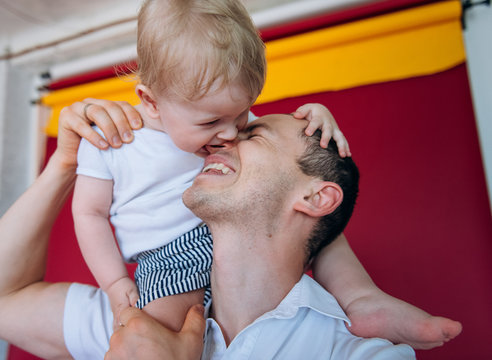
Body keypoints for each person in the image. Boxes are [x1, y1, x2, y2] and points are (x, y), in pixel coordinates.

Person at [0, 110, 461, 360]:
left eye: (253, 135)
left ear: (315, 198)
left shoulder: (358, 353)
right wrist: (69, 162)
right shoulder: (140, 318)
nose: (221, 140)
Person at [72, 0, 349, 333]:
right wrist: (115, 282)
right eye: (212, 121)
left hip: (243, 234)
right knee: (159, 333)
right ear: (151, 102)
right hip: (168, 256)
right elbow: (89, 214)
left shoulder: (222, 116)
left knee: (316, 224)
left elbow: (288, 143)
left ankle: (361, 298)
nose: (232, 133)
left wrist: (316, 116)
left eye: (243, 112)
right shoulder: (110, 139)